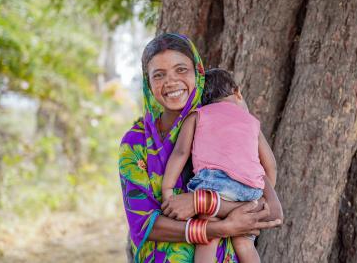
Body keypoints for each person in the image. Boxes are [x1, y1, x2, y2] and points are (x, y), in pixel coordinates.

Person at [119, 33, 283, 263]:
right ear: (148, 83)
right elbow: (144, 224)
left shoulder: (231, 129)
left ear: (198, 72)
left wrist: (202, 203)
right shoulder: (135, 144)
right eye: (159, 75)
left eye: (181, 70)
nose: (171, 81)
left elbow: (264, 209)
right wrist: (221, 227)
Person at [161, 68, 274, 263]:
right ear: (237, 92)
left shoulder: (198, 115)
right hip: (250, 191)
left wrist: (167, 188)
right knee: (245, 244)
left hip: (215, 187)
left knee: (208, 236)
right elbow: (270, 164)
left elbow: (180, 153)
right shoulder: (252, 122)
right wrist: (261, 194)